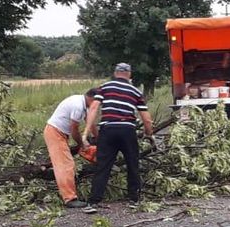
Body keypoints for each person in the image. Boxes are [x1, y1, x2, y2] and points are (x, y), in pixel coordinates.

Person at [82, 62, 154, 206]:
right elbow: (147, 119)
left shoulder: (104, 87)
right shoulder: (135, 91)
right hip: (127, 130)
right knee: (132, 164)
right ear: (129, 75)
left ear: (115, 74)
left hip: (107, 130)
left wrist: (86, 133)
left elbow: (94, 108)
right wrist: (149, 134)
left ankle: (93, 202)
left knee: (103, 165)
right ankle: (133, 199)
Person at [44, 87, 101, 209]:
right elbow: (74, 129)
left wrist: (99, 139)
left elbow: (90, 124)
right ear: (92, 99)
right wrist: (82, 144)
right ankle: (70, 199)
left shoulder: (83, 104)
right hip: (55, 132)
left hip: (60, 133)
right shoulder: (78, 106)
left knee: (65, 163)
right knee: (66, 165)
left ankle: (69, 195)